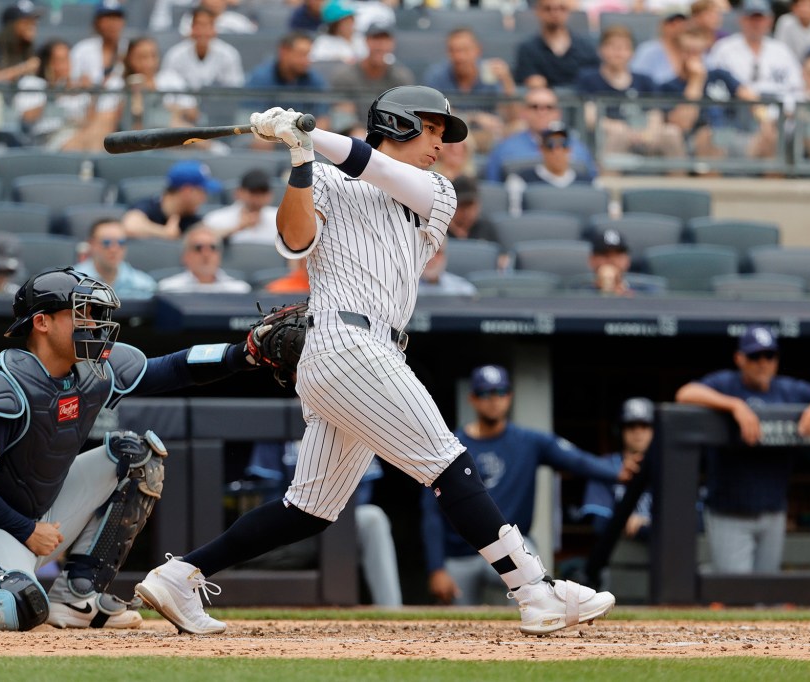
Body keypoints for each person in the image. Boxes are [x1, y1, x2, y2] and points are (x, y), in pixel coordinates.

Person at [135, 85, 616, 636]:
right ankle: (533, 589)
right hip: (345, 343)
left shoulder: (436, 192)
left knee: (309, 508)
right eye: (432, 130)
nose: (442, 144)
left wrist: (309, 135)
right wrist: (299, 159)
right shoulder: (324, 179)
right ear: (400, 122)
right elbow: (293, 241)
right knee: (446, 459)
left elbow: (375, 167)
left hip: (366, 350)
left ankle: (181, 574)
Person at [0, 267, 264, 632]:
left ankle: (76, 596)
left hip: (35, 512)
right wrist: (26, 531)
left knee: (136, 456)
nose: (94, 325)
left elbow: (173, 368)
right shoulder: (3, 386)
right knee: (19, 605)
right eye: (82, 314)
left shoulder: (95, 370)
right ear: (42, 322)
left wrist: (242, 354)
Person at [421, 365, 630, 606]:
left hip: (511, 546)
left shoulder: (529, 441)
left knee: (532, 577)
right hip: (459, 554)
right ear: (472, 399)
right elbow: (431, 512)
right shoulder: (451, 448)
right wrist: (436, 568)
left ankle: (537, 627)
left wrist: (617, 473)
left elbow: (577, 461)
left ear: (509, 395)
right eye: (485, 393)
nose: (493, 400)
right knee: (452, 625)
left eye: (500, 392)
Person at [676, 325, 810, 574]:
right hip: (729, 512)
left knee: (765, 595)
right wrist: (734, 405)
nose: (762, 363)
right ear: (740, 358)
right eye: (754, 356)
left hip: (773, 511)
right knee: (737, 593)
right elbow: (685, 393)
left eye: (769, 356)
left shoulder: (788, 389)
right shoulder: (727, 384)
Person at [245, 442, 402, 607]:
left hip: (338, 524)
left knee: (373, 518)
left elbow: (362, 493)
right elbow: (268, 495)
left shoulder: (357, 421)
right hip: (293, 527)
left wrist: (327, 510)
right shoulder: (275, 422)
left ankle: (391, 610)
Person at [575, 25, 686, 163]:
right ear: (601, 50)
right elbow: (590, 117)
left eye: (624, 48)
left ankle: (679, 182)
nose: (618, 52)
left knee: (671, 133)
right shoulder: (589, 78)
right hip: (608, 136)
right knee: (618, 136)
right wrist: (621, 129)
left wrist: (649, 132)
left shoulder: (645, 80)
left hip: (645, 134)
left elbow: (655, 113)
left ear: (632, 53)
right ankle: (608, 182)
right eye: (612, 47)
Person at [661, 27, 771, 162]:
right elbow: (684, 124)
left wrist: (765, 120)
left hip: (730, 134)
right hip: (694, 143)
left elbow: (750, 98)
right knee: (707, 137)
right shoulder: (668, 86)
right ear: (678, 53)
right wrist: (696, 81)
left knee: (771, 138)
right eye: (688, 52)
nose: (694, 57)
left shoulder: (719, 75)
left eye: (698, 52)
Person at [14, 40, 119, 152]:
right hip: (46, 141)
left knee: (105, 122)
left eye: (67, 59)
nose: (65, 65)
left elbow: (89, 121)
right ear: (47, 63)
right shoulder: (32, 83)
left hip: (75, 136)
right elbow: (28, 117)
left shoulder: (75, 87)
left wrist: (92, 94)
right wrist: (55, 92)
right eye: (59, 60)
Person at [483, 87, 597, 183]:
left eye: (549, 107)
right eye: (534, 107)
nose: (542, 112)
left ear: (558, 113)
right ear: (523, 112)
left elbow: (591, 186)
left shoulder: (577, 148)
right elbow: (495, 190)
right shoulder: (504, 148)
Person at [580, 398, 655, 542]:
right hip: (618, 555)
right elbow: (599, 524)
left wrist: (646, 524)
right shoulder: (605, 466)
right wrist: (624, 520)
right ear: (620, 430)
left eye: (645, 425)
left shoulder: (670, 468)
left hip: (665, 555)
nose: (638, 432)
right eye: (631, 426)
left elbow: (695, 521)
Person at [708, 0, 803, 102]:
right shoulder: (724, 48)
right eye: (751, 18)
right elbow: (713, 87)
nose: (756, 24)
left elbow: (796, 87)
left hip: (777, 110)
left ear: (770, 21)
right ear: (741, 20)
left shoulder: (781, 51)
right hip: (736, 109)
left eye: (760, 19)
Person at [329, 24, 413, 125]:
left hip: (389, 134)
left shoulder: (401, 78)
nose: (380, 46)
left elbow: (405, 117)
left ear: (392, 44)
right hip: (354, 136)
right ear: (366, 41)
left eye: (385, 40)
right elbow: (343, 120)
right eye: (375, 39)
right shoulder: (345, 76)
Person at [110, 37, 197, 132]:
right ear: (129, 59)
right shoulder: (117, 83)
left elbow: (194, 113)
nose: (149, 63)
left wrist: (173, 109)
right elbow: (107, 116)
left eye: (153, 56)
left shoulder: (171, 79)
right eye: (142, 57)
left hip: (171, 138)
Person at [505, 122, 595, 211]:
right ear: (541, 149)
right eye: (550, 144)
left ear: (569, 150)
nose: (557, 151)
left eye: (563, 144)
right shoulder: (521, 181)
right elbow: (515, 217)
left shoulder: (588, 183)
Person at [122, 160, 220, 240]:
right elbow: (131, 225)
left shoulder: (191, 218)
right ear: (187, 191)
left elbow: (211, 234)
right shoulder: (150, 206)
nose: (204, 199)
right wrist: (164, 232)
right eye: (202, 192)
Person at [513, 0, 599, 89]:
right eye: (548, 9)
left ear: (568, 11)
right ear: (538, 11)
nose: (555, 13)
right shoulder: (527, 49)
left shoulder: (586, 47)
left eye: (561, 8)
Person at [245, 32, 329, 119]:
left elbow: (323, 119)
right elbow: (249, 120)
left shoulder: (315, 80)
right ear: (283, 52)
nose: (306, 60)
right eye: (301, 54)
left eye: (309, 55)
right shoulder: (260, 80)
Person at [160, 7, 245, 92]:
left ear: (214, 30)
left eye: (206, 26)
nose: (202, 31)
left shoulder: (229, 55)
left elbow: (235, 91)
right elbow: (167, 88)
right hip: (183, 104)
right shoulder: (175, 55)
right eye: (198, 25)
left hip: (218, 103)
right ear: (191, 29)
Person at [73, 218, 156, 299]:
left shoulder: (144, 285)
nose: (114, 249)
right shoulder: (74, 281)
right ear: (92, 244)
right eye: (106, 242)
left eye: (121, 242)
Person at [156, 226, 252, 294]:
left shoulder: (240, 291)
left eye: (212, 248)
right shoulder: (169, 290)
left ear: (219, 255)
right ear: (185, 256)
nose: (206, 254)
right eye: (198, 248)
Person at [202, 168, 279, 245]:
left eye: (263, 193)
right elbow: (200, 240)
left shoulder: (280, 220)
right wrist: (237, 228)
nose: (257, 199)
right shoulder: (216, 218)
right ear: (239, 192)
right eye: (253, 192)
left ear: (270, 195)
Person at [581, 228, 662, 296]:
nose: (612, 260)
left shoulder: (646, 292)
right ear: (591, 260)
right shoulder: (578, 293)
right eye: (605, 255)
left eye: (618, 255)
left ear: (627, 260)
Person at [0, 0, 41, 83]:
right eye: (26, 22)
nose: (31, 27)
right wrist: (23, 68)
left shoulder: (32, 50)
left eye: (33, 22)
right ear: (10, 26)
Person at [69, 0, 128, 88]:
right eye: (107, 18)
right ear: (97, 22)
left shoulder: (130, 49)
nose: (112, 23)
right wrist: (80, 83)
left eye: (116, 18)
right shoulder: (82, 49)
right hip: (86, 99)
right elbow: (70, 81)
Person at [630, 7, 689, 86]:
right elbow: (638, 80)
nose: (677, 27)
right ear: (662, 25)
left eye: (681, 22)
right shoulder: (648, 50)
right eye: (672, 22)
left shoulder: (692, 51)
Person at [310, 0, 365, 65]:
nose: (350, 24)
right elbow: (317, 64)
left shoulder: (360, 38)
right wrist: (339, 60)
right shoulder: (324, 43)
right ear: (334, 25)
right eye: (345, 21)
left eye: (351, 19)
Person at [445, 176, 497, 242]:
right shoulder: (440, 228)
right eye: (462, 205)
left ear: (478, 205)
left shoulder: (486, 228)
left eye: (470, 205)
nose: (466, 212)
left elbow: (501, 252)